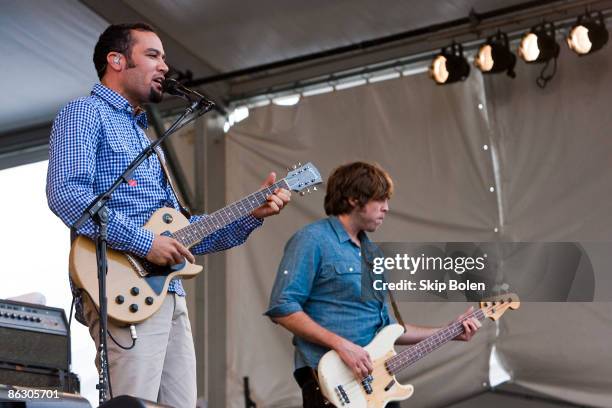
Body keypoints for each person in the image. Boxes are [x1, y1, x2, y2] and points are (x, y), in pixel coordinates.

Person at [46, 23, 290, 407]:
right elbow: (67, 194)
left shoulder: (145, 138)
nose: (165, 66)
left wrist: (251, 214)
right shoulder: (85, 113)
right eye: (153, 55)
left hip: (167, 293)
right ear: (117, 60)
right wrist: (147, 243)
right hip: (120, 288)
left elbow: (182, 233)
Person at [265, 162, 480, 408]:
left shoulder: (373, 254)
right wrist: (342, 345)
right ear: (354, 199)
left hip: (378, 383)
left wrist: (448, 331)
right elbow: (282, 307)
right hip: (332, 384)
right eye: (380, 200)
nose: (386, 209)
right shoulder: (312, 240)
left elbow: (386, 328)